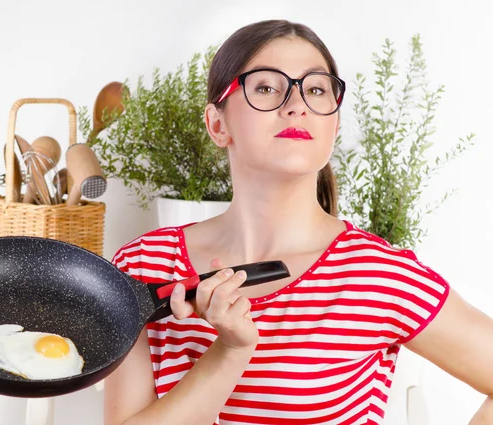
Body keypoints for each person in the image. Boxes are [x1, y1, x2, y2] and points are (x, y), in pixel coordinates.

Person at [103, 19, 493, 425]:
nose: (297, 105)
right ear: (218, 124)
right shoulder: (144, 267)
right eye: (267, 87)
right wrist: (231, 351)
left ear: (334, 125)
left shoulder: (380, 275)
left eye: (316, 89)